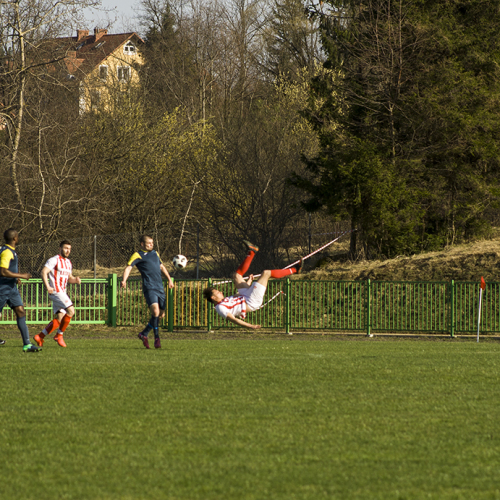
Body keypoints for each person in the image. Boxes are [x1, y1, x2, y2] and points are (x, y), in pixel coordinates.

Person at [203, 241, 303, 329]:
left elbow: (238, 295)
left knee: (237, 275)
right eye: (218, 292)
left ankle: (251, 252)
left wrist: (249, 282)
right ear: (213, 297)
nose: (220, 292)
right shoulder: (220, 308)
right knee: (266, 273)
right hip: (252, 301)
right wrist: (250, 326)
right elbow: (234, 320)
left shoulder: (225, 300)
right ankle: (295, 270)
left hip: (246, 295)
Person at [121, 235, 174, 349]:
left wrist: (169, 279)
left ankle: (144, 334)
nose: (151, 244)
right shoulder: (138, 255)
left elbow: (161, 266)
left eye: (152, 242)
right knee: (155, 312)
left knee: (161, 315)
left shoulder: (155, 253)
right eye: (149, 243)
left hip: (160, 287)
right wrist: (124, 280)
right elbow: (129, 267)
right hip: (149, 287)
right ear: (142, 244)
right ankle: (156, 338)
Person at [34, 240, 81, 348]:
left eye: (69, 249)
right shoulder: (54, 260)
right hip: (55, 291)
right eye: (65, 248)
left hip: (62, 292)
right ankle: (59, 335)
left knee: (60, 318)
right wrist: (48, 286)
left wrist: (76, 280)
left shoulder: (68, 262)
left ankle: (40, 336)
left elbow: (69, 278)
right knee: (71, 310)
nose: (67, 250)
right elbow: (44, 272)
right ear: (59, 249)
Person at [0, 229, 40, 352]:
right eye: (18, 236)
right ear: (14, 239)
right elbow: (2, 271)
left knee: (20, 311)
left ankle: (27, 344)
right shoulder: (6, 252)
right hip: (2, 288)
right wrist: (21, 275)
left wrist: (16, 278)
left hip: (11, 289)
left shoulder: (11, 251)